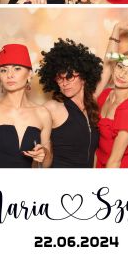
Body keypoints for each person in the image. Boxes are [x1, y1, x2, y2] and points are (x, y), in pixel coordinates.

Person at [38, 38, 103, 167]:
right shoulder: (53, 107)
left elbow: (107, 69)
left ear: (84, 77)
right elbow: (26, 120)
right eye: (59, 78)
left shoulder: (91, 105)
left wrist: (116, 32)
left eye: (69, 77)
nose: (64, 83)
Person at [95, 22, 128, 168]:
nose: (122, 74)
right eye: (120, 67)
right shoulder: (105, 94)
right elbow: (107, 63)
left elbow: (115, 161)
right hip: (100, 163)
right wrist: (116, 29)